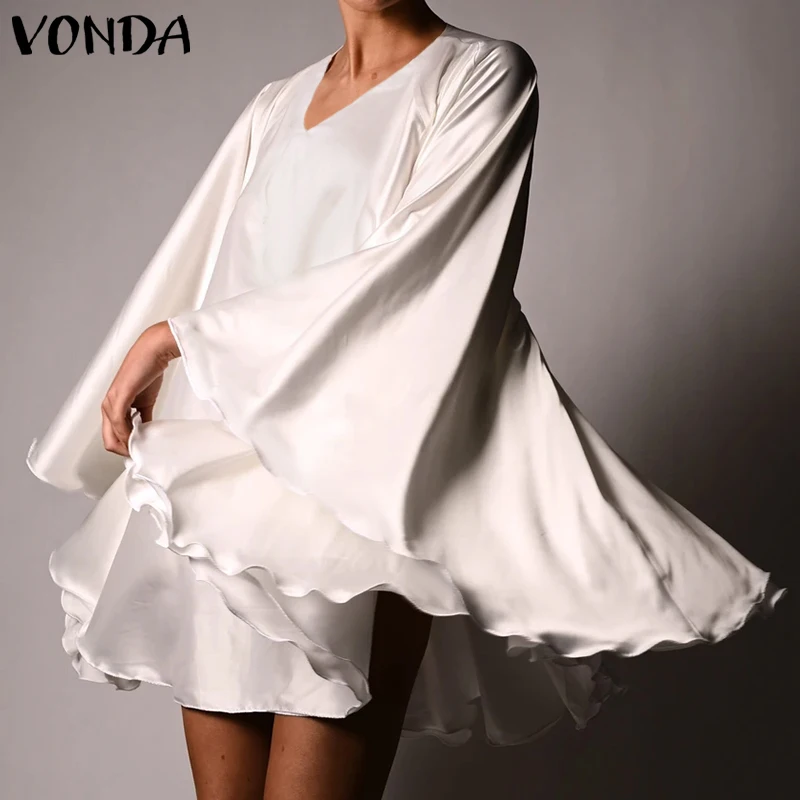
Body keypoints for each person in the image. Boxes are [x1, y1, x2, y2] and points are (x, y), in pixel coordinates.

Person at [26, 2, 785, 799]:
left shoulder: (482, 76)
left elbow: (417, 281)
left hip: (359, 506)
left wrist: (174, 337)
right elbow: (211, 266)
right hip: (216, 500)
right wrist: (168, 357)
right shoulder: (275, 107)